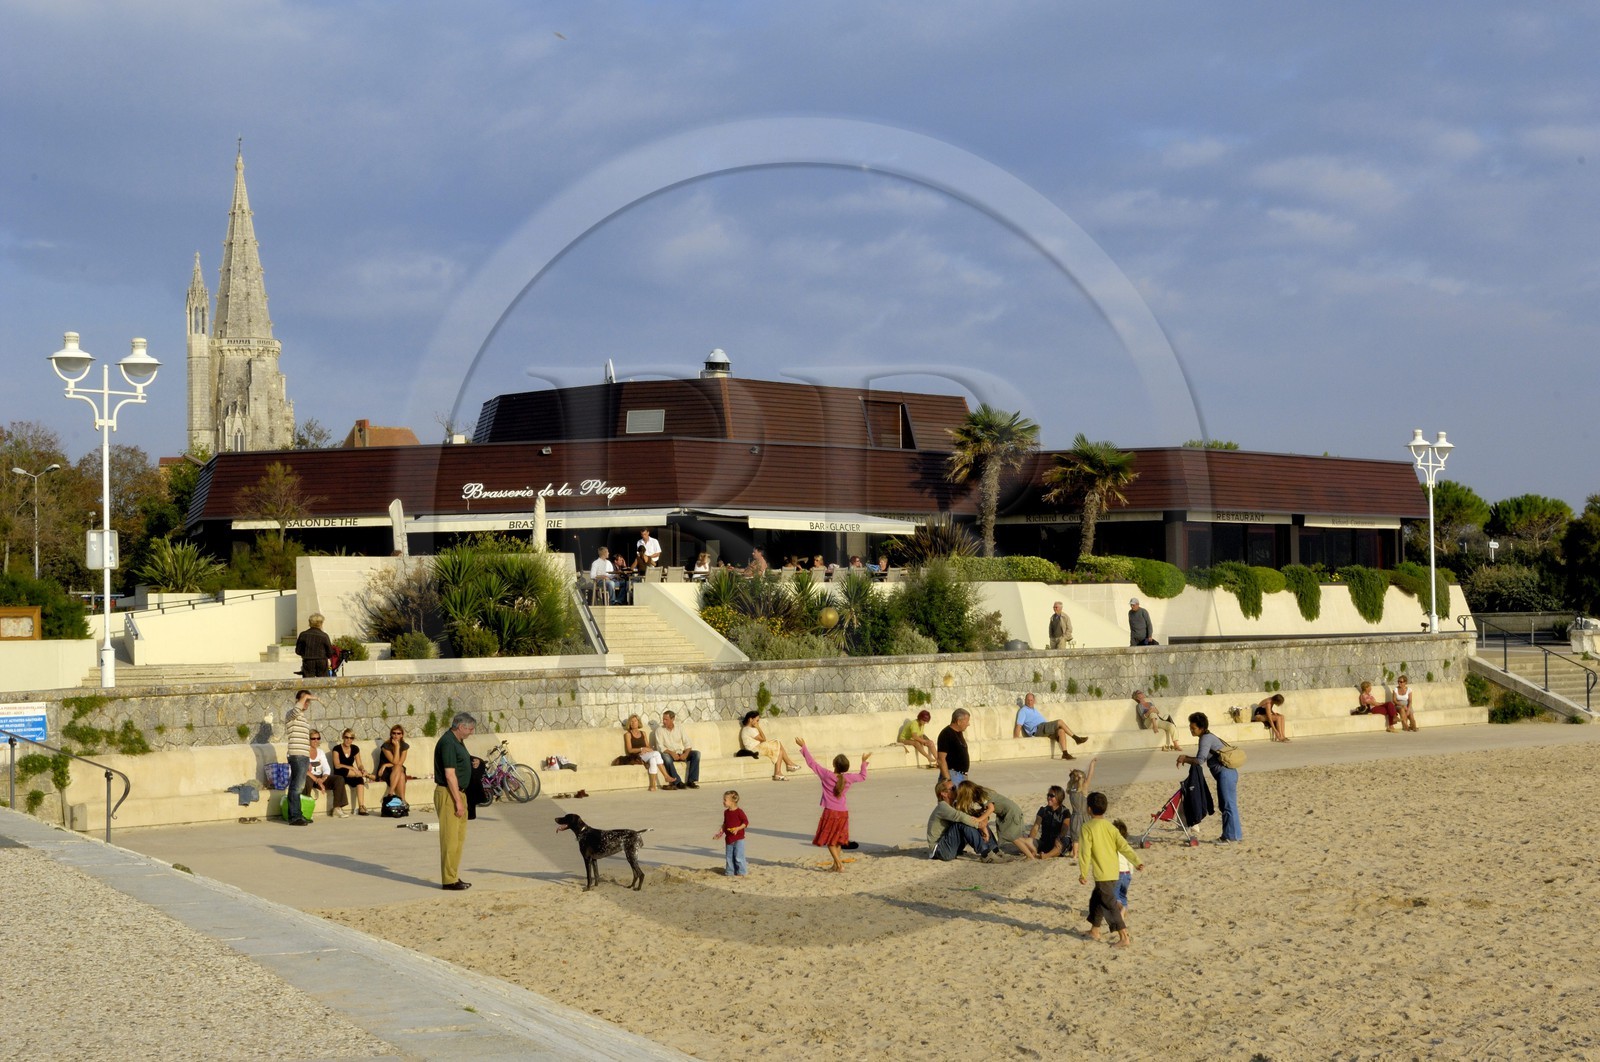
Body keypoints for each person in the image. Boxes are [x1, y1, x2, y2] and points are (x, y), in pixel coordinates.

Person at [1077, 790, 1143, 946]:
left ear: (1089, 809)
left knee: (1110, 905)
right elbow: (1124, 846)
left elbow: (1085, 853)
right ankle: (1095, 930)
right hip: (1114, 872)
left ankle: (1124, 937)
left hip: (1103, 873)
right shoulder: (1110, 827)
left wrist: (1083, 873)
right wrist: (1136, 861)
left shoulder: (1087, 827)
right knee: (1096, 900)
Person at [796, 736, 869, 872]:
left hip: (830, 812)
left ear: (834, 764)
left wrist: (804, 747)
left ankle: (839, 864)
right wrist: (864, 762)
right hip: (843, 813)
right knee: (838, 839)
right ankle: (835, 865)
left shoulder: (826, 775)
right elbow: (862, 776)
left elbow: (812, 763)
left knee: (830, 840)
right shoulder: (848, 778)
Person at [1178, 712, 1241, 843]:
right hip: (1226, 774)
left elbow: (1200, 760)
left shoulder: (1206, 738)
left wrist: (1185, 758)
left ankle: (1232, 836)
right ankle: (1228, 835)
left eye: (1193, 728)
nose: (1191, 730)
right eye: (1190, 727)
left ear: (1201, 728)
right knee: (1225, 805)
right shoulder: (1207, 737)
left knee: (1228, 805)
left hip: (1226, 773)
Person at [434, 711, 477, 890]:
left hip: (459, 793)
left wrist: (471, 761)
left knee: (458, 839)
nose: (471, 733)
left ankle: (453, 875)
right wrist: (458, 801)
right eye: (470, 729)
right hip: (449, 794)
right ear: (461, 727)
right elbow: (450, 774)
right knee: (450, 839)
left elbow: (459, 763)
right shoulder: (447, 742)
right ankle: (448, 880)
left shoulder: (458, 741)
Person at [954, 779, 1036, 859]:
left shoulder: (981, 795)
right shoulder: (980, 793)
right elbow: (987, 808)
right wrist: (981, 812)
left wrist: (979, 819)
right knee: (1011, 835)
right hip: (1009, 812)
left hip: (1010, 813)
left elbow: (991, 808)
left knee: (1012, 837)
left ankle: (1030, 856)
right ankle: (1027, 842)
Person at [926, 777, 997, 861]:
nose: (957, 790)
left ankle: (995, 851)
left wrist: (983, 824)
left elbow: (972, 816)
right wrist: (981, 825)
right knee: (962, 823)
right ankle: (986, 854)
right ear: (944, 794)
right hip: (939, 850)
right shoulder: (942, 807)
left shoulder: (954, 805)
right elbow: (961, 817)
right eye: (953, 788)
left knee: (972, 819)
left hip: (951, 847)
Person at [1013, 692, 1089, 759]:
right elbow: (1018, 725)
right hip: (1038, 729)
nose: (1029, 702)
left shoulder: (1034, 710)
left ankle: (1065, 753)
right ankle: (1076, 738)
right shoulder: (1023, 711)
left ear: (1034, 701)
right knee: (1060, 722)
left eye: (1031, 700)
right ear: (1025, 700)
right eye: (1028, 700)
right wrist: (1016, 740)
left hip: (1044, 728)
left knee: (1061, 731)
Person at [282, 690, 315, 826]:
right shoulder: (291, 714)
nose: (307, 703)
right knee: (297, 786)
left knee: (297, 785)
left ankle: (297, 814)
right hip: (296, 754)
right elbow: (296, 709)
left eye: (308, 701)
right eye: (305, 700)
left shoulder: (302, 717)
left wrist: (307, 759)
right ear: (298, 700)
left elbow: (304, 740)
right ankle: (295, 817)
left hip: (302, 755)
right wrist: (307, 696)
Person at [740, 710, 799, 780]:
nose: (757, 722)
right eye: (757, 720)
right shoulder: (748, 729)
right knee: (778, 743)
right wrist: (758, 727)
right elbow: (763, 739)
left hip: (759, 747)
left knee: (780, 751)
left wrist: (757, 727)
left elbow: (762, 740)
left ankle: (778, 773)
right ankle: (788, 764)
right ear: (750, 719)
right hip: (754, 749)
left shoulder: (750, 729)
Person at [623, 714, 674, 791]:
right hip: (637, 756)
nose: (633, 723)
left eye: (635, 721)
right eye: (631, 721)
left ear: (638, 722)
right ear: (629, 724)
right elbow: (629, 750)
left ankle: (652, 786)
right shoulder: (628, 734)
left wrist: (648, 749)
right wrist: (641, 749)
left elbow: (648, 746)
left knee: (653, 759)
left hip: (646, 754)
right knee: (656, 753)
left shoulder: (643, 733)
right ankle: (666, 776)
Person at [329, 728, 371, 816]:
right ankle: (368, 776)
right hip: (340, 772)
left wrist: (362, 769)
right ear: (343, 737)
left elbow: (359, 764)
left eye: (351, 738)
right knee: (349, 772)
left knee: (359, 779)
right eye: (346, 737)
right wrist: (351, 768)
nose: (348, 740)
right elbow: (337, 765)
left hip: (351, 774)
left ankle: (361, 806)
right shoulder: (336, 749)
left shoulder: (355, 748)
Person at [655, 710, 700, 789]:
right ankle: (678, 782)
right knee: (666, 757)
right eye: (663, 719)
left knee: (696, 754)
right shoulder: (659, 730)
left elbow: (688, 743)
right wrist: (672, 753)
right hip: (668, 754)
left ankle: (691, 781)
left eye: (666, 719)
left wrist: (685, 754)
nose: (664, 721)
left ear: (672, 719)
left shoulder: (679, 728)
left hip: (679, 752)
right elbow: (660, 747)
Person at [713, 790, 748, 877]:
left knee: (739, 856)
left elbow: (745, 822)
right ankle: (730, 872)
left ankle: (741, 872)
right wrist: (720, 833)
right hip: (729, 838)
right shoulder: (726, 812)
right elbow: (725, 823)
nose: (723, 802)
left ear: (733, 801)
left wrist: (738, 828)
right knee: (729, 856)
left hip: (739, 838)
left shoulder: (739, 812)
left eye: (725, 800)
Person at [1066, 760, 1096, 857]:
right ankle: (1088, 853)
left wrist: (1073, 774)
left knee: (1075, 838)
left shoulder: (1071, 789)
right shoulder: (1083, 788)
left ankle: (1075, 854)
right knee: (1087, 836)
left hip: (1074, 816)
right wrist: (1092, 764)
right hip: (1084, 816)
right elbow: (1090, 775)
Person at [1030, 784, 1070, 858]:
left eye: (1052, 796)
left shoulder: (1065, 812)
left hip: (1057, 841)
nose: (1048, 798)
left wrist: (1058, 838)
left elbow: (1064, 829)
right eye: (1048, 795)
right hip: (1044, 842)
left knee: (1065, 841)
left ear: (1059, 797)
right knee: (1024, 838)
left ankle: (1046, 856)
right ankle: (1033, 850)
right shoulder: (1043, 810)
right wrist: (1030, 840)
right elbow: (1036, 827)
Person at [374, 725, 412, 802]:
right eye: (394, 733)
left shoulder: (404, 746)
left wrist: (386, 764)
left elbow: (400, 763)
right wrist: (397, 747)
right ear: (391, 734)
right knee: (400, 771)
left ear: (402, 735)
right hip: (386, 771)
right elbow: (395, 762)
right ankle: (399, 798)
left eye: (398, 733)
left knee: (400, 772)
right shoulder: (386, 746)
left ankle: (396, 796)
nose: (396, 735)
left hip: (394, 768)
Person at [936, 708, 972, 787]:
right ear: (958, 721)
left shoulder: (959, 733)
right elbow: (941, 759)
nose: (968, 724)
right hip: (953, 775)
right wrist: (948, 779)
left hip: (961, 776)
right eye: (967, 721)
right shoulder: (946, 734)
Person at [295, 613, 334, 678]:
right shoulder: (324, 636)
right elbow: (330, 652)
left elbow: (298, 651)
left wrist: (305, 654)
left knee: (308, 683)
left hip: (308, 661)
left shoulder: (303, 635)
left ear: (310, 623)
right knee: (322, 682)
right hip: (322, 661)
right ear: (321, 623)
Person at [306, 730, 331, 813]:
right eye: (313, 738)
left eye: (318, 738)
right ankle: (306, 809)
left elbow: (327, 768)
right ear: (308, 739)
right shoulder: (304, 752)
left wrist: (323, 779)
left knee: (339, 779)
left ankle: (337, 808)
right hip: (309, 777)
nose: (316, 740)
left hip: (320, 777)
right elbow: (303, 770)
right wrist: (317, 780)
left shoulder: (320, 752)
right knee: (306, 780)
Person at [1112, 819, 1135, 911]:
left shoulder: (1113, 847)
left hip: (1117, 874)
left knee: (1115, 895)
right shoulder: (1126, 846)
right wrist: (1130, 873)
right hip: (1127, 874)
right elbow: (1131, 861)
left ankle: (1120, 910)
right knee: (1123, 895)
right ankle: (1124, 912)